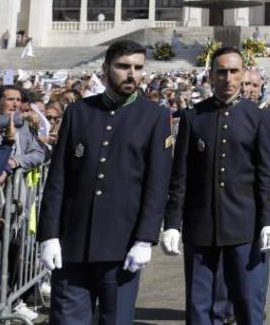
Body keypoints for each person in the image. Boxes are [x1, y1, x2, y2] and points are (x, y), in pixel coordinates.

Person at [38, 40, 173, 325]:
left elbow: (157, 183)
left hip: (122, 245)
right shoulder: (79, 112)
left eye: (138, 68)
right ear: (106, 68)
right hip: (73, 243)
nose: (132, 74)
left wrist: (145, 238)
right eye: (124, 67)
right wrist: (49, 235)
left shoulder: (154, 116)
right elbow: (58, 177)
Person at [161, 48, 270, 324]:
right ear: (210, 75)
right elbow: (180, 175)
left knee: (248, 305)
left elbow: (267, 174)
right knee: (199, 309)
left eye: (234, 71)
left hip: (244, 226)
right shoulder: (194, 117)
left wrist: (269, 220)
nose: (228, 78)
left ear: (243, 75)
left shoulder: (259, 116)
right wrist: (172, 223)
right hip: (200, 228)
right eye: (221, 72)